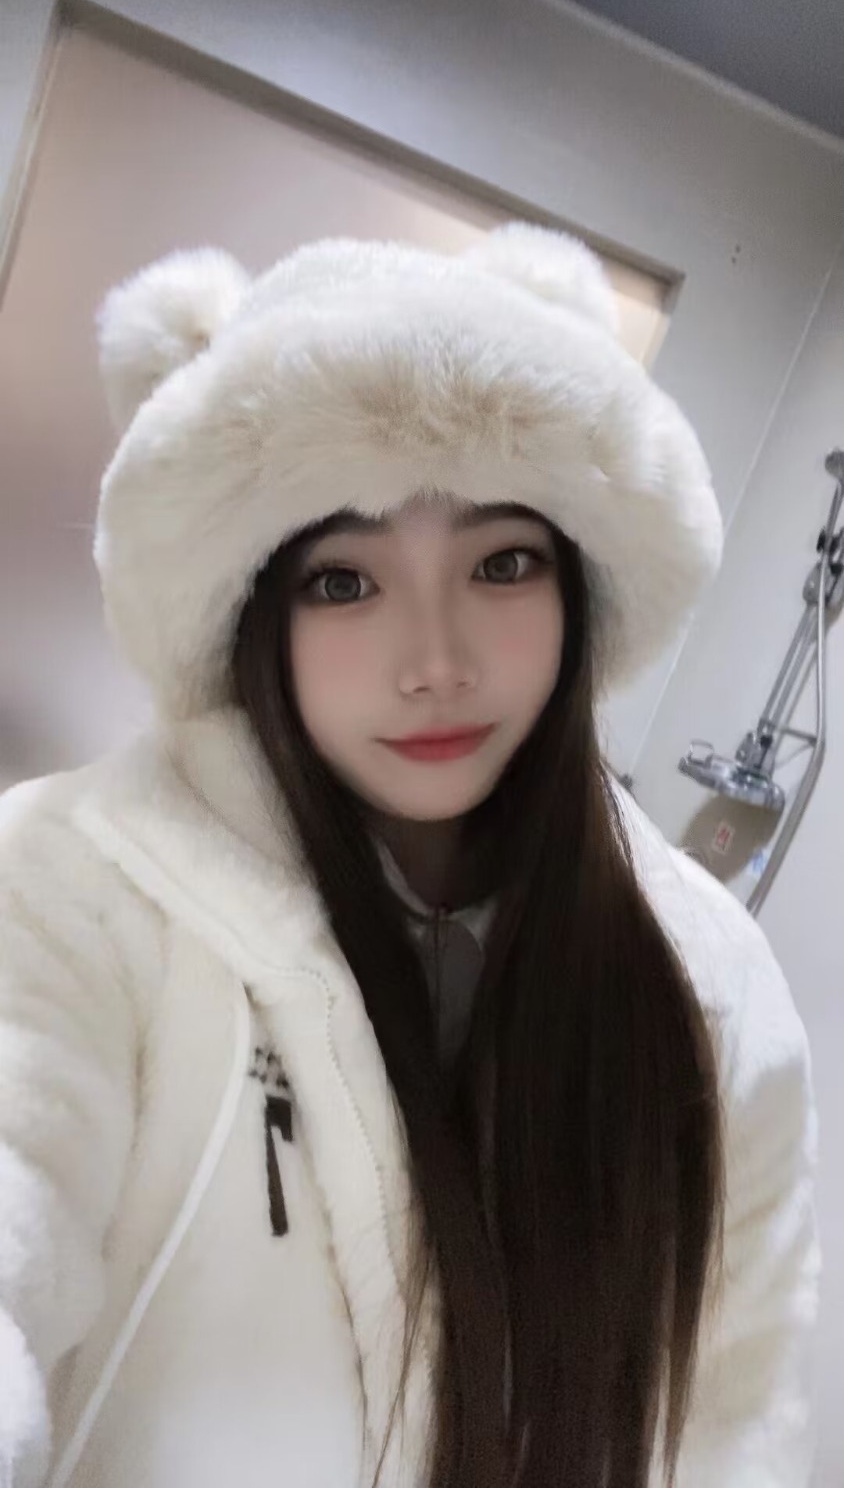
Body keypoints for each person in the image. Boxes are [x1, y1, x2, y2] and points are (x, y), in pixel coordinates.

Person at [0, 223, 819, 1488]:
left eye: (502, 562)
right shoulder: (72, 878)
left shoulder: (710, 980)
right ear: (253, 612)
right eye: (343, 582)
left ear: (578, 586)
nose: (435, 660)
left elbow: (733, 1420)